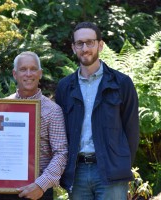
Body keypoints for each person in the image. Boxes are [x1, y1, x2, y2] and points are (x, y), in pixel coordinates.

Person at [55, 21, 140, 200]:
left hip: (111, 172)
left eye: (90, 42)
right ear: (73, 47)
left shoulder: (121, 83)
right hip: (77, 173)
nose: (85, 48)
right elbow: (61, 133)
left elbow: (132, 130)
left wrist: (120, 164)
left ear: (100, 45)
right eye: (80, 43)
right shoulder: (64, 87)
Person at [0, 51, 68, 200]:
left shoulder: (53, 111)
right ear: (14, 74)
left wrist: (40, 185)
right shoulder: (0, 108)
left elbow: (61, 153)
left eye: (33, 69)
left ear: (40, 73)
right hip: (2, 189)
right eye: (23, 69)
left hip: (38, 192)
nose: (28, 73)